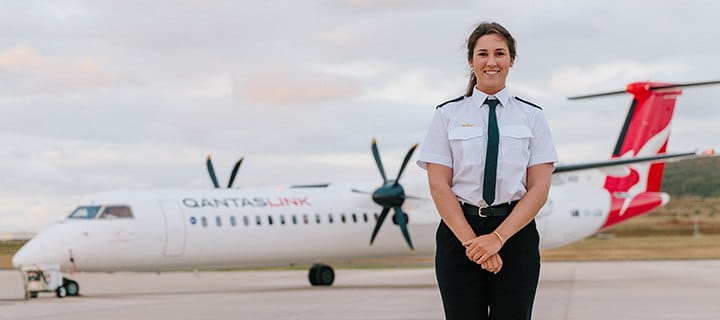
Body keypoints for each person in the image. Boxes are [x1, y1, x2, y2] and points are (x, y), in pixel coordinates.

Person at [416, 22, 558, 320]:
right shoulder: (447, 115)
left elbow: (539, 189)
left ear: (511, 60)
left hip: (515, 235)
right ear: (471, 61)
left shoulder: (533, 116)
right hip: (459, 235)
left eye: (499, 53)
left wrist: (497, 238)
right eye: (483, 54)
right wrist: (473, 244)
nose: (491, 62)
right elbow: (439, 187)